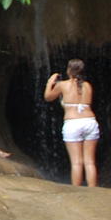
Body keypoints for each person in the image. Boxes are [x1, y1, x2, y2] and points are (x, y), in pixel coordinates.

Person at [44, 58, 99, 186]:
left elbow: (48, 97)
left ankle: (76, 191)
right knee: (90, 162)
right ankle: (93, 191)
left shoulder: (63, 85)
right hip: (90, 122)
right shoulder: (87, 85)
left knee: (76, 163)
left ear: (69, 70)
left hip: (73, 123)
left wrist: (50, 82)